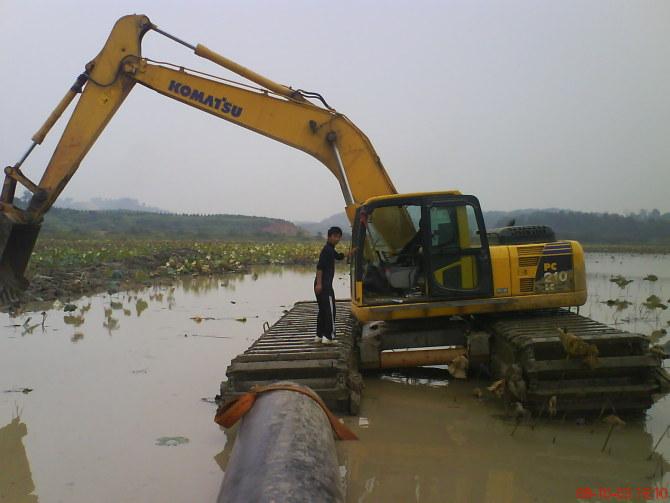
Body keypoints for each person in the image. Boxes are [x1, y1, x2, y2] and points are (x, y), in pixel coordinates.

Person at [314, 226, 353, 345]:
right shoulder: (327, 250)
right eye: (335, 236)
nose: (337, 239)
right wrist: (319, 284)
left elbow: (339, 257)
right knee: (331, 311)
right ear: (329, 236)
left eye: (339, 237)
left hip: (322, 284)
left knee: (323, 310)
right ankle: (329, 337)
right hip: (324, 285)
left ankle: (319, 336)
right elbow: (320, 268)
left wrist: (350, 253)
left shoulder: (330, 249)